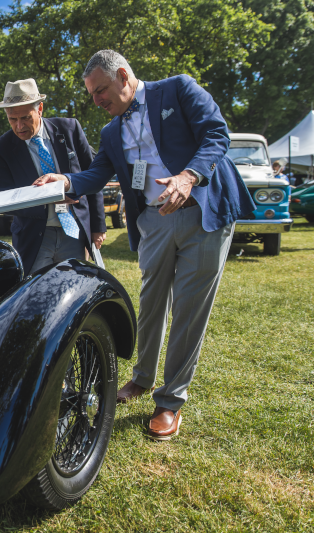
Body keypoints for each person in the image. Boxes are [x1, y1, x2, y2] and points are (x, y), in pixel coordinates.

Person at [37, 50, 255, 440]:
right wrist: (64, 182)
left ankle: (170, 401)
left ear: (123, 76)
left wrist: (188, 176)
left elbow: (216, 134)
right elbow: (96, 173)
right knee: (151, 299)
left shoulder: (178, 90)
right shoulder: (109, 132)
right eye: (91, 94)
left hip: (202, 210)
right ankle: (140, 378)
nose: (97, 100)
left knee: (189, 307)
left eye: (101, 90)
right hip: (153, 220)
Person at [0, 78, 107, 274]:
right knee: (36, 295)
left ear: (40, 109)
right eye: (12, 119)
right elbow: (2, 195)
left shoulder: (70, 129)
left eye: (26, 117)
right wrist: (49, 196)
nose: (19, 126)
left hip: (74, 231)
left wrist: (98, 226)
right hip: (34, 236)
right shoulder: (1, 149)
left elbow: (93, 176)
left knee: (73, 290)